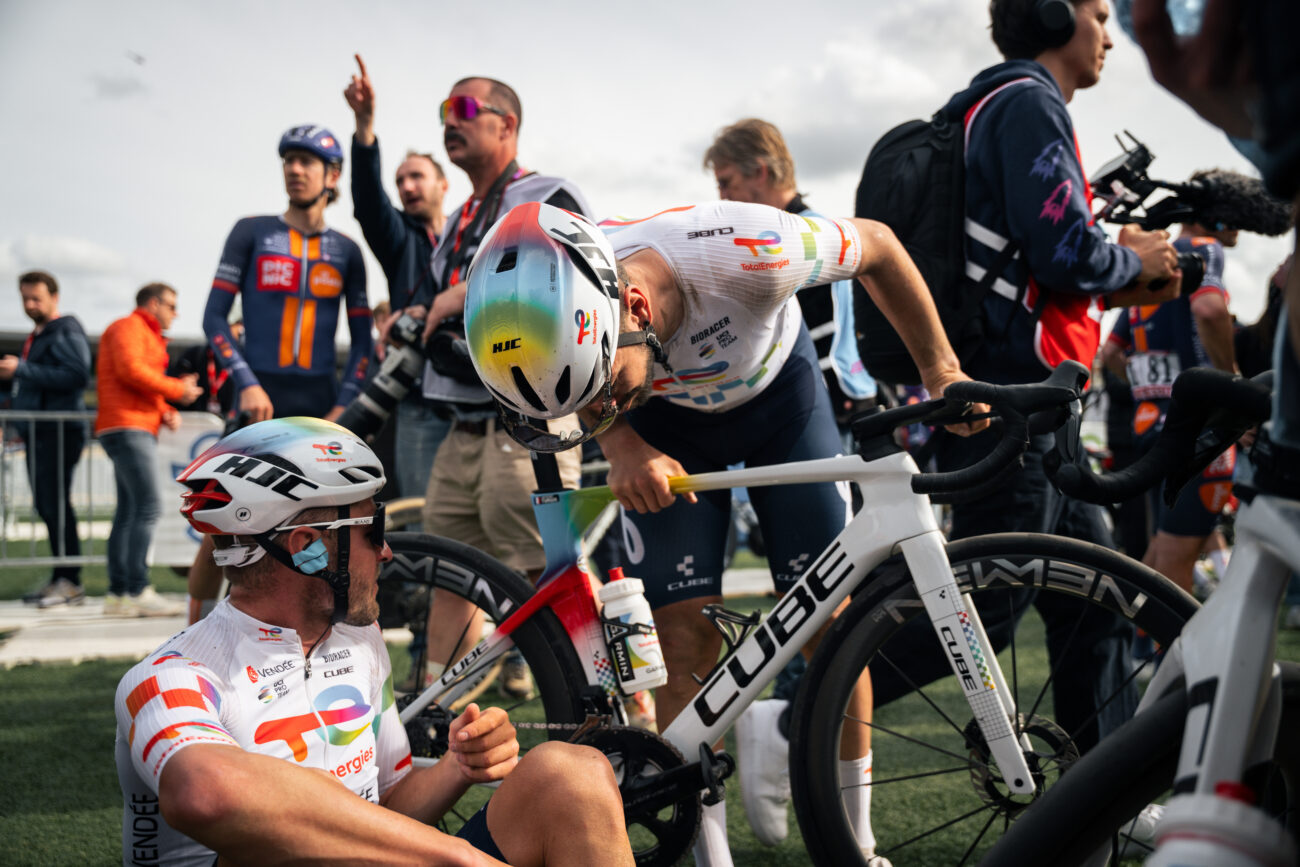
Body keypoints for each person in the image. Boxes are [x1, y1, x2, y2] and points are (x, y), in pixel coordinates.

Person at [464, 200, 987, 867]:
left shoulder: (751, 252)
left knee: (832, 625)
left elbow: (880, 244)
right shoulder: (569, 301)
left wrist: (940, 370)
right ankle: (711, 857)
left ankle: (859, 845)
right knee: (682, 638)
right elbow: (573, 392)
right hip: (669, 426)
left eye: (604, 390)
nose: (596, 410)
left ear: (636, 307)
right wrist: (620, 439)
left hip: (781, 402)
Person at [114, 416, 633, 866]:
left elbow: (385, 807)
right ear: (307, 549)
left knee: (574, 773)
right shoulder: (170, 677)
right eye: (372, 530)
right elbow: (204, 795)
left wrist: (458, 767)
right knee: (266, 837)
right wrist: (456, 856)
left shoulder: (360, 639)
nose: (386, 552)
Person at [917, 0, 1181, 756]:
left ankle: (1108, 791)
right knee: (989, 606)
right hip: (1014, 403)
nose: (1108, 34)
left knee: (1095, 604)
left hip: (1031, 403)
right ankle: (805, 701)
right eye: (1099, 14)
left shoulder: (986, 101)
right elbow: (1066, 253)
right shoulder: (1030, 101)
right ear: (1053, 14)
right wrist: (1139, 258)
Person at [701, 117, 878, 846]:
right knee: (833, 614)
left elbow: (833, 348)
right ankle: (784, 717)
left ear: (766, 172)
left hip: (826, 429)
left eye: (727, 184)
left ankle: (783, 722)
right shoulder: (782, 232)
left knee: (837, 616)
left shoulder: (796, 235)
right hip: (811, 431)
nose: (719, 199)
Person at [407, 76, 589, 699]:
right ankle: (438, 715)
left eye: (462, 109)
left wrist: (467, 290)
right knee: (450, 579)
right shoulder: (456, 217)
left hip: (529, 422)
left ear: (506, 123)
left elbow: (577, 285)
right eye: (442, 112)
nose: (448, 122)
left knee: (553, 574)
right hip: (459, 430)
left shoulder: (546, 194)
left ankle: (613, 713)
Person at [1102, 214, 1239, 595]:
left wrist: (1150, 388)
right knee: (1177, 558)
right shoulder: (1202, 249)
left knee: (1162, 545)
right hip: (1198, 428)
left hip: (1149, 428)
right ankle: (1166, 653)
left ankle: (1138, 644)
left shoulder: (1153, 258)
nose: (1240, 228)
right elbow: (1209, 310)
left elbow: (1112, 352)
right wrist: (1231, 388)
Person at [203, 124, 372, 425]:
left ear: (332, 175)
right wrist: (247, 383)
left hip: (322, 399)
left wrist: (344, 403)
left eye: (306, 161)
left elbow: (362, 342)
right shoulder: (251, 231)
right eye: (288, 160)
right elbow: (213, 318)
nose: (294, 169)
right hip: (256, 395)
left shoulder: (347, 250)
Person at [344, 54, 453, 500]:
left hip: (478, 401)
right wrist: (365, 126)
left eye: (417, 177)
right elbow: (370, 202)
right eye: (401, 180)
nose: (407, 186)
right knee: (426, 519)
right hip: (420, 401)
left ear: (443, 184)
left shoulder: (474, 233)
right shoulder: (399, 239)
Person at [95, 283, 202, 617]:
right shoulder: (129, 327)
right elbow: (131, 372)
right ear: (153, 304)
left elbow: (135, 380)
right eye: (171, 305)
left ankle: (120, 594)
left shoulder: (137, 330)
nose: (175, 312)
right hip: (129, 426)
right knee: (148, 507)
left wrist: (163, 408)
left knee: (129, 511)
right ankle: (136, 589)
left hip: (128, 424)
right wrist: (177, 390)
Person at [0, 271, 92, 607]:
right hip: (39, 433)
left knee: (55, 504)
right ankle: (61, 578)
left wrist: (21, 369)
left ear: (54, 296)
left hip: (58, 433)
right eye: (25, 298)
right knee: (47, 505)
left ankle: (70, 580)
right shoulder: (39, 334)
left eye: (36, 298)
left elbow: (77, 374)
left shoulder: (65, 329)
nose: (29, 305)